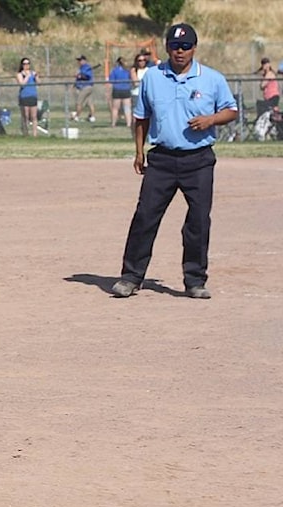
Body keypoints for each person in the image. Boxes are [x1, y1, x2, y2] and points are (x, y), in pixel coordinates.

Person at [111, 23, 237, 300]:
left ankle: (195, 280)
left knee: (198, 220)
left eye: (185, 46)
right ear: (167, 47)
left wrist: (211, 120)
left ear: (194, 48)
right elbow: (141, 117)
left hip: (199, 160)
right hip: (162, 159)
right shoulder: (153, 77)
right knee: (145, 216)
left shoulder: (212, 79)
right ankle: (131, 276)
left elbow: (231, 110)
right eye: (174, 46)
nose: (179, 51)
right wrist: (139, 151)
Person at [16, 57, 40, 137]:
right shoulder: (20, 74)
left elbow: (38, 82)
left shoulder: (33, 73)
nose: (26, 65)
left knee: (33, 116)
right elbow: (22, 84)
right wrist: (27, 76)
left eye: (28, 63)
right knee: (25, 115)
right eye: (24, 64)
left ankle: (35, 134)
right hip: (24, 96)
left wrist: (36, 77)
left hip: (33, 95)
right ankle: (26, 133)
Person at [108, 56, 132, 128]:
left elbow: (111, 81)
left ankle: (113, 124)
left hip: (117, 90)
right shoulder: (128, 70)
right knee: (127, 108)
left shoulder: (114, 70)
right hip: (126, 90)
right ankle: (128, 123)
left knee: (115, 108)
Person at [72, 54, 96, 123]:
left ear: (84, 60)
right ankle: (92, 117)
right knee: (89, 102)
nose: (79, 62)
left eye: (80, 60)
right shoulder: (81, 68)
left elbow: (87, 77)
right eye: (78, 60)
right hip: (82, 87)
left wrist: (80, 76)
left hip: (86, 87)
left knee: (79, 102)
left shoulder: (87, 67)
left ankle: (77, 116)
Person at [130, 52, 150, 121]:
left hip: (147, 94)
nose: (142, 62)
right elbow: (135, 83)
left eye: (144, 60)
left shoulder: (148, 70)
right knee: (135, 115)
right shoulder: (134, 70)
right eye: (140, 60)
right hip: (136, 94)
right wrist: (144, 82)